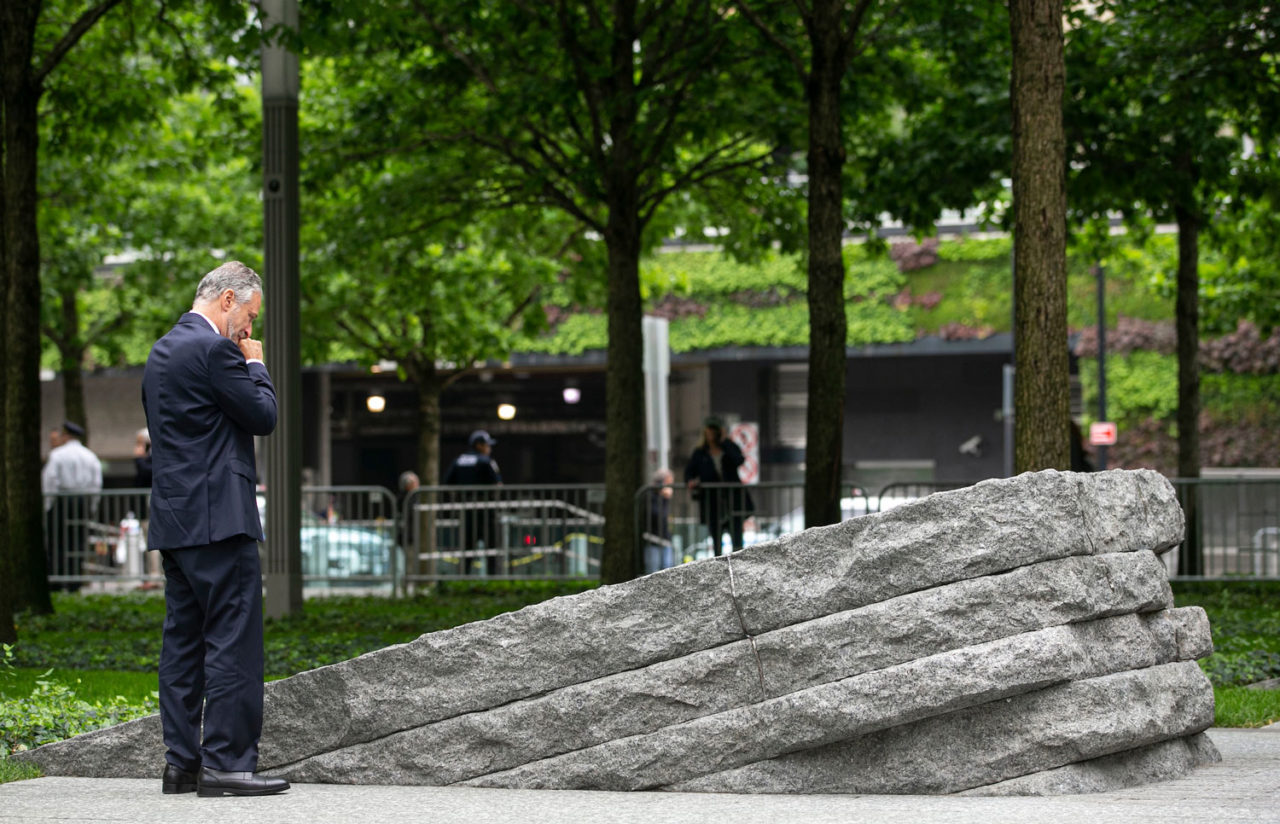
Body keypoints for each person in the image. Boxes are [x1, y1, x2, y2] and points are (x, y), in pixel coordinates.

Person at [141, 261, 288, 798]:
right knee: (232, 641)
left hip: (175, 520)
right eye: (249, 315)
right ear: (228, 299)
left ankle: (181, 764)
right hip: (220, 521)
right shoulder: (217, 351)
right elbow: (262, 416)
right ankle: (227, 764)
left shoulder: (161, 352)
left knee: (181, 644)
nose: (250, 328)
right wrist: (257, 366)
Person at [42, 420, 103, 590]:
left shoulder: (57, 455)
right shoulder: (90, 456)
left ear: (66, 435)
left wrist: (49, 503)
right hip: (81, 502)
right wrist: (92, 506)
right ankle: (74, 582)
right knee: (77, 542)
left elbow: (51, 480)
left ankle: (56, 580)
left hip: (61, 501)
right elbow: (96, 484)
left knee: (57, 542)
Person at [684, 416, 753, 556]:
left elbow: (739, 460)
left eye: (714, 430)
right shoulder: (700, 452)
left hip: (733, 500)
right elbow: (689, 472)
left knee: (737, 538)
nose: (711, 434)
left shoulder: (728, 447)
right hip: (712, 502)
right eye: (708, 430)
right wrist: (691, 482)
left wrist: (725, 441)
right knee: (716, 539)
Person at [444, 430, 502, 575]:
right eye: (487, 445)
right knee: (491, 546)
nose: (489, 448)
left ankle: (464, 578)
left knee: (467, 547)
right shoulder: (485, 461)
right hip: (486, 510)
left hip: (466, 510)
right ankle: (492, 578)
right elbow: (497, 484)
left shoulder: (459, 460)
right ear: (479, 445)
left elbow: (447, 483)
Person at [643, 468, 676, 574]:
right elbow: (658, 516)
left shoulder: (663, 498)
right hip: (653, 539)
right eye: (668, 483)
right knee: (653, 572)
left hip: (665, 539)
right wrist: (664, 498)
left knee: (668, 570)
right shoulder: (650, 496)